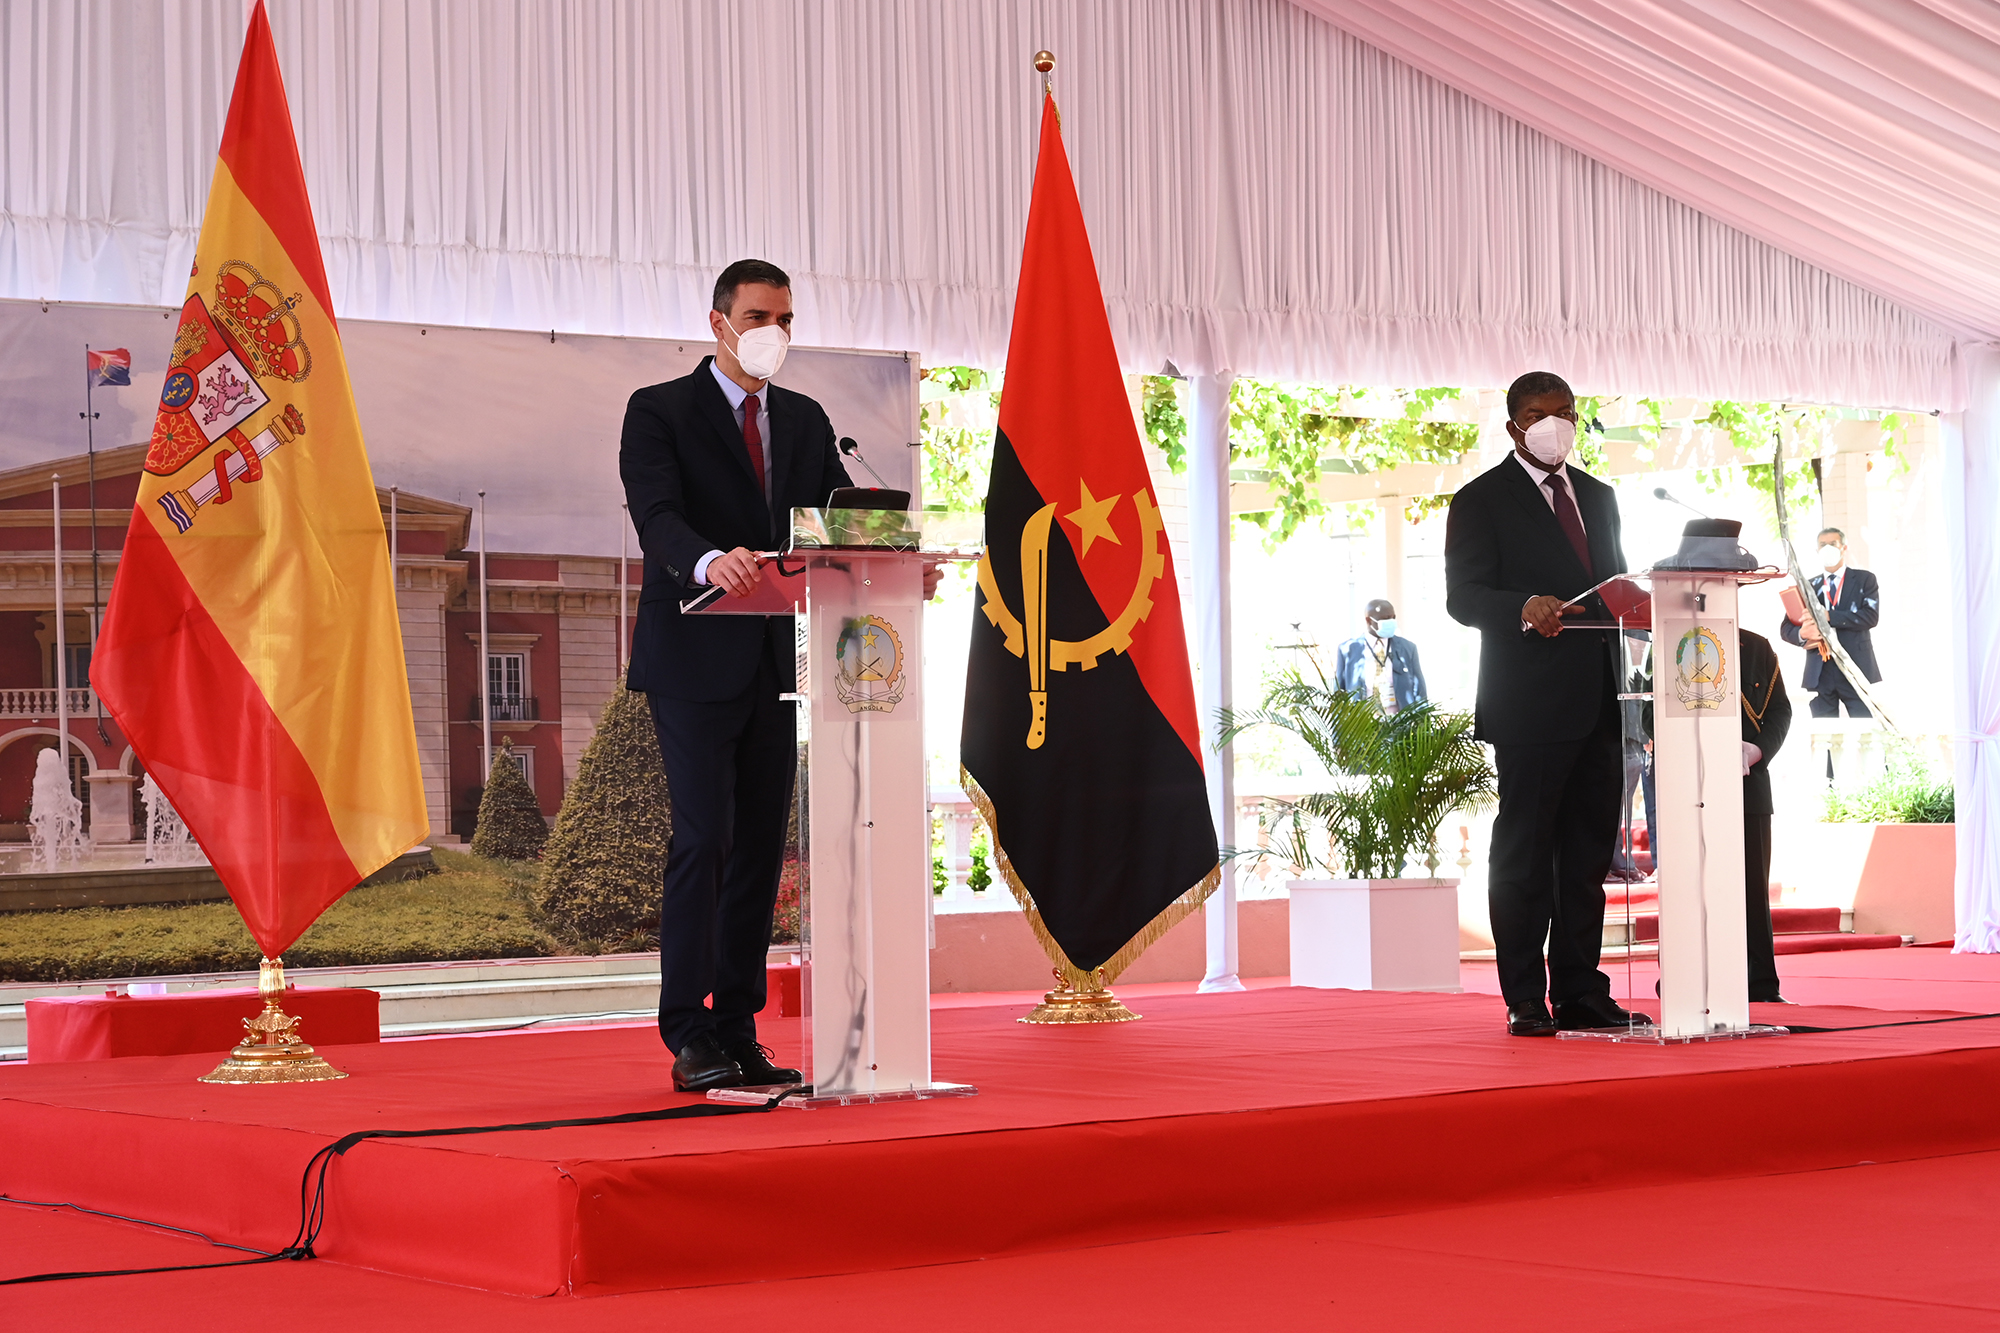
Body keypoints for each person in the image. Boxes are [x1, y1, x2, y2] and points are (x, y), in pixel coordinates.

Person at [623, 259, 933, 1091]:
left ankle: (738, 1027)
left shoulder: (803, 417)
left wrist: (898, 563)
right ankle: (688, 1031)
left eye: (787, 319)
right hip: (692, 657)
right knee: (707, 838)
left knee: (761, 848)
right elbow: (656, 515)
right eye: (760, 316)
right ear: (719, 321)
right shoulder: (659, 411)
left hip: (771, 659)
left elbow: (826, 524)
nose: (775, 334)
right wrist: (705, 557)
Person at [1444, 370, 1648, 1037]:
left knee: (1588, 856)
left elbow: (1613, 583)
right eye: (1537, 414)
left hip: (1598, 698)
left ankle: (1583, 989)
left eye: (1564, 412)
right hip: (1529, 702)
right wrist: (1521, 607)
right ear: (1512, 426)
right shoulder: (1481, 499)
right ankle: (1526, 994)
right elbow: (1464, 595)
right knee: (1527, 854)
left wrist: (1643, 602)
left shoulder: (1599, 495)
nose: (1552, 424)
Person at [1738, 628, 1792, 1004]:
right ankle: (1688, 977)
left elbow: (1779, 710)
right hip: (1686, 788)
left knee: (1753, 890)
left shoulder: (1756, 647)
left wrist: (1756, 751)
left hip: (1749, 783)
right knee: (1693, 891)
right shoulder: (1671, 640)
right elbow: (1647, 714)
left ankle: (1760, 984)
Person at [1778, 527, 1881, 717]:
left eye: (1833, 544)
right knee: (1824, 734)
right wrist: (1802, 634)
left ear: (1844, 547)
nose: (1827, 549)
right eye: (1822, 545)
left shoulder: (1864, 580)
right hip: (1820, 671)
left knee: (1864, 728)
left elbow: (1870, 616)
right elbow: (1786, 629)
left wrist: (1829, 616)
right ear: (1816, 550)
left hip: (1856, 668)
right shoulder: (1807, 585)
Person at [1334, 599, 1427, 711]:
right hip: (1362, 721)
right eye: (1384, 619)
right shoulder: (1348, 650)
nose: (1391, 622)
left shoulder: (1407, 648)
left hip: (1399, 721)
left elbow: (1419, 689)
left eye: (1392, 617)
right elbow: (1339, 693)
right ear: (1368, 620)